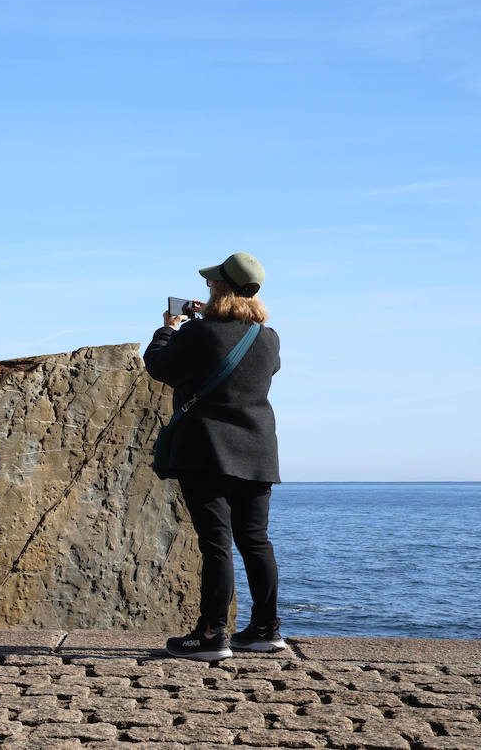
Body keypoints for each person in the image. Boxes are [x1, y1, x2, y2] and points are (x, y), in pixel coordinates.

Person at [143, 252, 285, 662]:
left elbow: (158, 365)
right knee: (255, 540)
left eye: (211, 284)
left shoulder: (200, 333)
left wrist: (168, 330)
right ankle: (265, 630)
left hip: (206, 449)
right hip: (259, 451)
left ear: (219, 289)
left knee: (217, 543)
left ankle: (211, 635)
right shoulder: (269, 338)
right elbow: (267, 371)